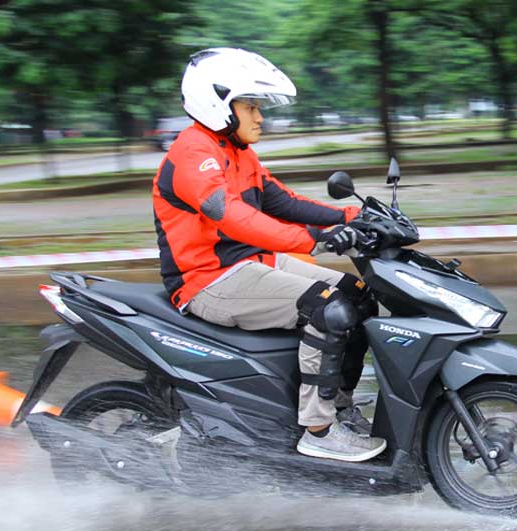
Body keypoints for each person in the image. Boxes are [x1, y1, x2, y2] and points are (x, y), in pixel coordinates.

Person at [151, 47, 386, 462]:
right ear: (218, 103)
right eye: (251, 107)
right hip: (209, 279)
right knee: (328, 308)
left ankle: (339, 406)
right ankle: (318, 429)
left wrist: (355, 216)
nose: (260, 117)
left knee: (360, 295)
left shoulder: (238, 152)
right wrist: (314, 239)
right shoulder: (193, 153)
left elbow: (282, 201)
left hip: (250, 264)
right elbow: (232, 217)